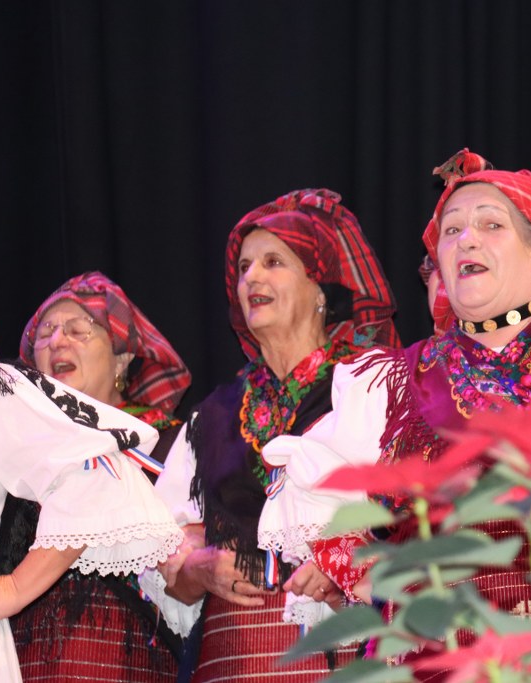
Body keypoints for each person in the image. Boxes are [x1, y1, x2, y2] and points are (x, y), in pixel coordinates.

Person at [261, 150, 531, 680]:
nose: (466, 240)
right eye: (452, 230)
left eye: (491, 224)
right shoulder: (396, 382)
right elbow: (312, 480)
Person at [144, 188, 400, 682]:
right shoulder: (212, 416)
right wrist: (197, 567)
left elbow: (412, 520)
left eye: (273, 262)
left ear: (319, 288)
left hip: (342, 652)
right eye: (244, 268)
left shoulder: (370, 384)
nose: (251, 278)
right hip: (229, 659)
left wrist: (346, 569)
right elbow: (161, 555)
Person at [0, 272, 191, 682]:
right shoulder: (18, 446)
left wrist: (13, 589)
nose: (56, 341)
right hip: (18, 657)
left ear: (122, 358)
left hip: (125, 655)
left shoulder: (172, 444)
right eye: (45, 332)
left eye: (78, 329)